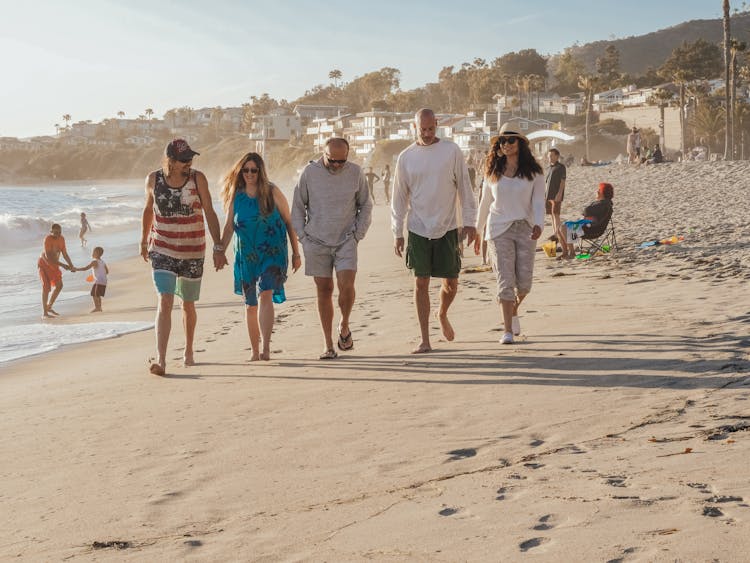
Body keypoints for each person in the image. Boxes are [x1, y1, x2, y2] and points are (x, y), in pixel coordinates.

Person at [391, 108, 477, 354]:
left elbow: (465, 187)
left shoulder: (451, 151)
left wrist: (469, 222)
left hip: (448, 226)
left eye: (431, 129)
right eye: (422, 130)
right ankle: (425, 339)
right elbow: (398, 197)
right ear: (414, 128)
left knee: (451, 282)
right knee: (421, 282)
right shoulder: (406, 157)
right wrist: (397, 232)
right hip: (418, 227)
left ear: (437, 125)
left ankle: (442, 313)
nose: (427, 134)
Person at [140, 139, 223, 376]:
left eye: (191, 159)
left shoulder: (198, 179)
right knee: (165, 300)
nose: (189, 163)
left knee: (187, 303)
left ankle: (188, 350)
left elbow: (209, 211)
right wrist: (143, 240)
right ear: (171, 161)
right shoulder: (153, 180)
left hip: (192, 250)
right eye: (184, 160)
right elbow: (148, 209)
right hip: (162, 249)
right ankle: (162, 360)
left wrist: (218, 247)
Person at [292, 137, 373, 360]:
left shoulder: (355, 172)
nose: (337, 165)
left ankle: (344, 325)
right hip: (316, 241)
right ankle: (328, 345)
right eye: (332, 161)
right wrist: (302, 237)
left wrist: (358, 234)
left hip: (346, 240)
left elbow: (366, 203)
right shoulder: (309, 173)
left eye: (342, 161)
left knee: (347, 286)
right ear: (323, 154)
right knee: (324, 290)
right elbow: (298, 206)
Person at [217, 153, 301, 361]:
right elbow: (228, 228)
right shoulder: (236, 196)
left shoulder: (272, 192)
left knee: (265, 293)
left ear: (260, 171)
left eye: (254, 170)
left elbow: (289, 222)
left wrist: (296, 253)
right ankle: (254, 352)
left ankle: (266, 348)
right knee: (250, 304)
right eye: (245, 170)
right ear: (240, 171)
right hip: (246, 256)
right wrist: (219, 250)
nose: (249, 174)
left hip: (272, 253)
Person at [474, 123, 545, 345]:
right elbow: (485, 203)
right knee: (505, 281)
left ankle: (512, 310)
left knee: (524, 284)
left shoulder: (535, 172)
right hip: (498, 230)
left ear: (520, 144)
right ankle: (507, 330)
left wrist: (539, 224)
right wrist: (477, 231)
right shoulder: (492, 171)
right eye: (502, 141)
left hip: (525, 228)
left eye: (511, 140)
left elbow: (538, 201)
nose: (506, 144)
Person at [559, 182, 614, 258]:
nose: (597, 191)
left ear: (602, 193)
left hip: (591, 230)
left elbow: (586, 211)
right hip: (589, 227)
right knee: (561, 227)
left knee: (564, 227)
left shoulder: (603, 205)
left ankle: (572, 253)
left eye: (599, 190)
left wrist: (585, 216)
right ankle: (565, 252)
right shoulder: (604, 204)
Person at [38, 223, 76, 318]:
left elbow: (65, 254)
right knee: (46, 288)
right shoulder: (47, 239)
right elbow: (49, 257)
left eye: (59, 232)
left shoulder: (62, 239)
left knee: (59, 285)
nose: (57, 234)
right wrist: (63, 265)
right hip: (44, 264)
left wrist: (71, 265)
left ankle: (49, 306)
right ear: (51, 232)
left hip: (55, 264)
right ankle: (44, 313)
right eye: (55, 232)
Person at [545, 148, 567, 256]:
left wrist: (559, 193)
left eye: (552, 156)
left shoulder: (561, 167)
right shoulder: (549, 168)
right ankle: (555, 236)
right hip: (548, 196)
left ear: (557, 156)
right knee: (552, 215)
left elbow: (562, 181)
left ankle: (557, 235)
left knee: (556, 215)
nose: (550, 158)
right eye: (549, 156)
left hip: (556, 195)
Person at [79, 246, 108, 312]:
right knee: (98, 294)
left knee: (94, 294)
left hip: (98, 280)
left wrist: (76, 269)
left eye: (93, 252)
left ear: (97, 253)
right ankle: (99, 307)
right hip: (104, 280)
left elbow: (85, 268)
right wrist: (100, 274)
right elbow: (107, 271)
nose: (92, 253)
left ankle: (97, 307)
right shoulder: (102, 262)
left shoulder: (94, 261)